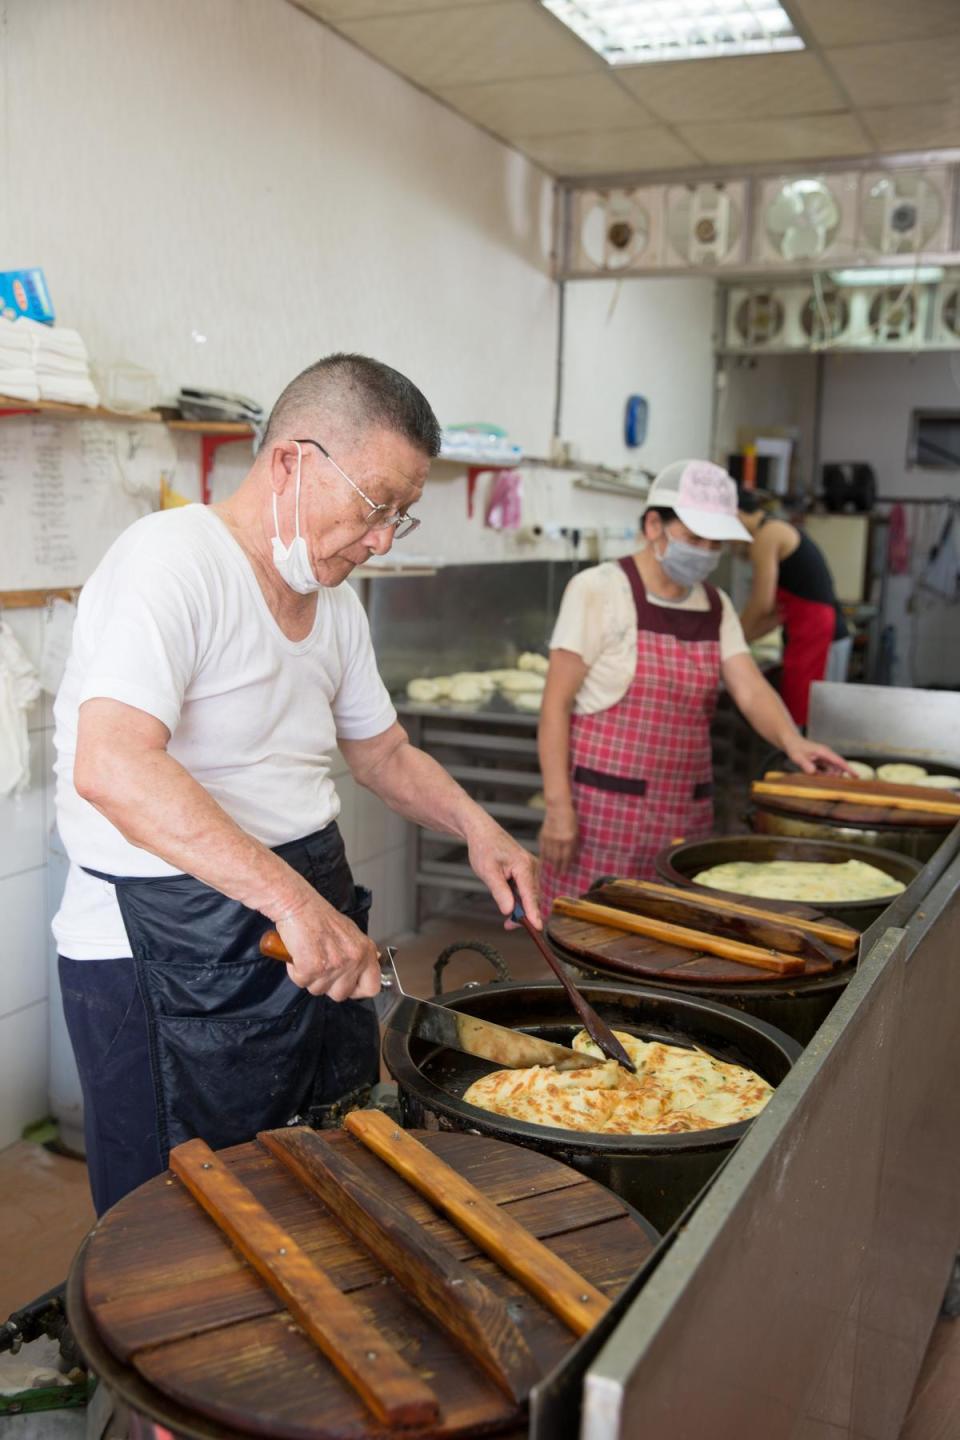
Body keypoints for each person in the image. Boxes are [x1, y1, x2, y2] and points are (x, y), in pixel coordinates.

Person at [52, 353, 539, 1215]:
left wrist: (477, 826)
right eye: (376, 505)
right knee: (177, 1221)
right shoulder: (171, 563)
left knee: (310, 1177)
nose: (384, 536)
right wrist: (293, 902)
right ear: (292, 461)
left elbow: (382, 753)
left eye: (403, 516)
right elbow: (113, 765)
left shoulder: (336, 604)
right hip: (163, 947)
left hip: (297, 917)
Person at [536, 459, 850, 913]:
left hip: (684, 813)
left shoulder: (714, 605)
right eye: (693, 537)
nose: (704, 551)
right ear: (653, 526)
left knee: (667, 944)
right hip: (602, 817)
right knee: (587, 938)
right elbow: (554, 706)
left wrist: (792, 742)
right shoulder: (598, 590)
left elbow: (749, 688)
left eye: (714, 542)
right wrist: (558, 808)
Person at [737, 490, 850, 728]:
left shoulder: (767, 535)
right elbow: (774, 613)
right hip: (805, 633)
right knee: (803, 716)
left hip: (820, 634)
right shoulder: (774, 530)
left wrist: (734, 640)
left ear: (736, 515)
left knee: (816, 719)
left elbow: (761, 604)